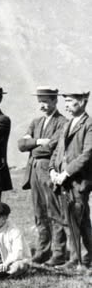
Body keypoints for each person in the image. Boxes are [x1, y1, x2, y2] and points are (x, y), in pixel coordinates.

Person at [18, 87, 69, 264]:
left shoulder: (62, 122)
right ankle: (42, 250)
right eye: (40, 101)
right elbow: (21, 145)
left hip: (49, 170)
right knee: (39, 211)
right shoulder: (36, 122)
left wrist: (33, 147)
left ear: (55, 101)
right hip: (33, 171)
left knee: (54, 210)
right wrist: (38, 142)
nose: (42, 105)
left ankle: (58, 252)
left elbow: (51, 147)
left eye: (46, 101)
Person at [49, 89, 92, 270]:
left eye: (70, 101)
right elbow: (58, 150)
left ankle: (82, 259)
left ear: (82, 102)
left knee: (79, 220)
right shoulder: (67, 124)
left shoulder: (89, 124)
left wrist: (65, 172)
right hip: (63, 181)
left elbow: (87, 154)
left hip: (78, 181)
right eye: (65, 101)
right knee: (72, 220)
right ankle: (79, 258)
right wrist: (52, 169)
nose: (66, 104)